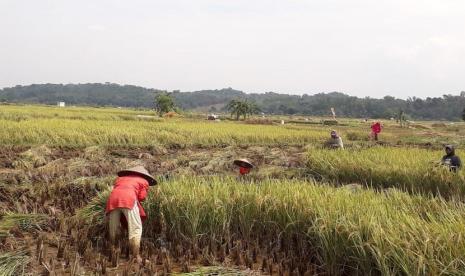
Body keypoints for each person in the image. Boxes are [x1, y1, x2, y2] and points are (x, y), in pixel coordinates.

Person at [105, 166, 157, 263]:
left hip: (112, 201)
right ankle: (135, 256)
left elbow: (116, 190)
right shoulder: (143, 181)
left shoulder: (120, 179)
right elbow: (142, 197)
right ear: (144, 175)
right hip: (128, 200)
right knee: (136, 228)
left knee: (114, 228)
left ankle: (113, 252)